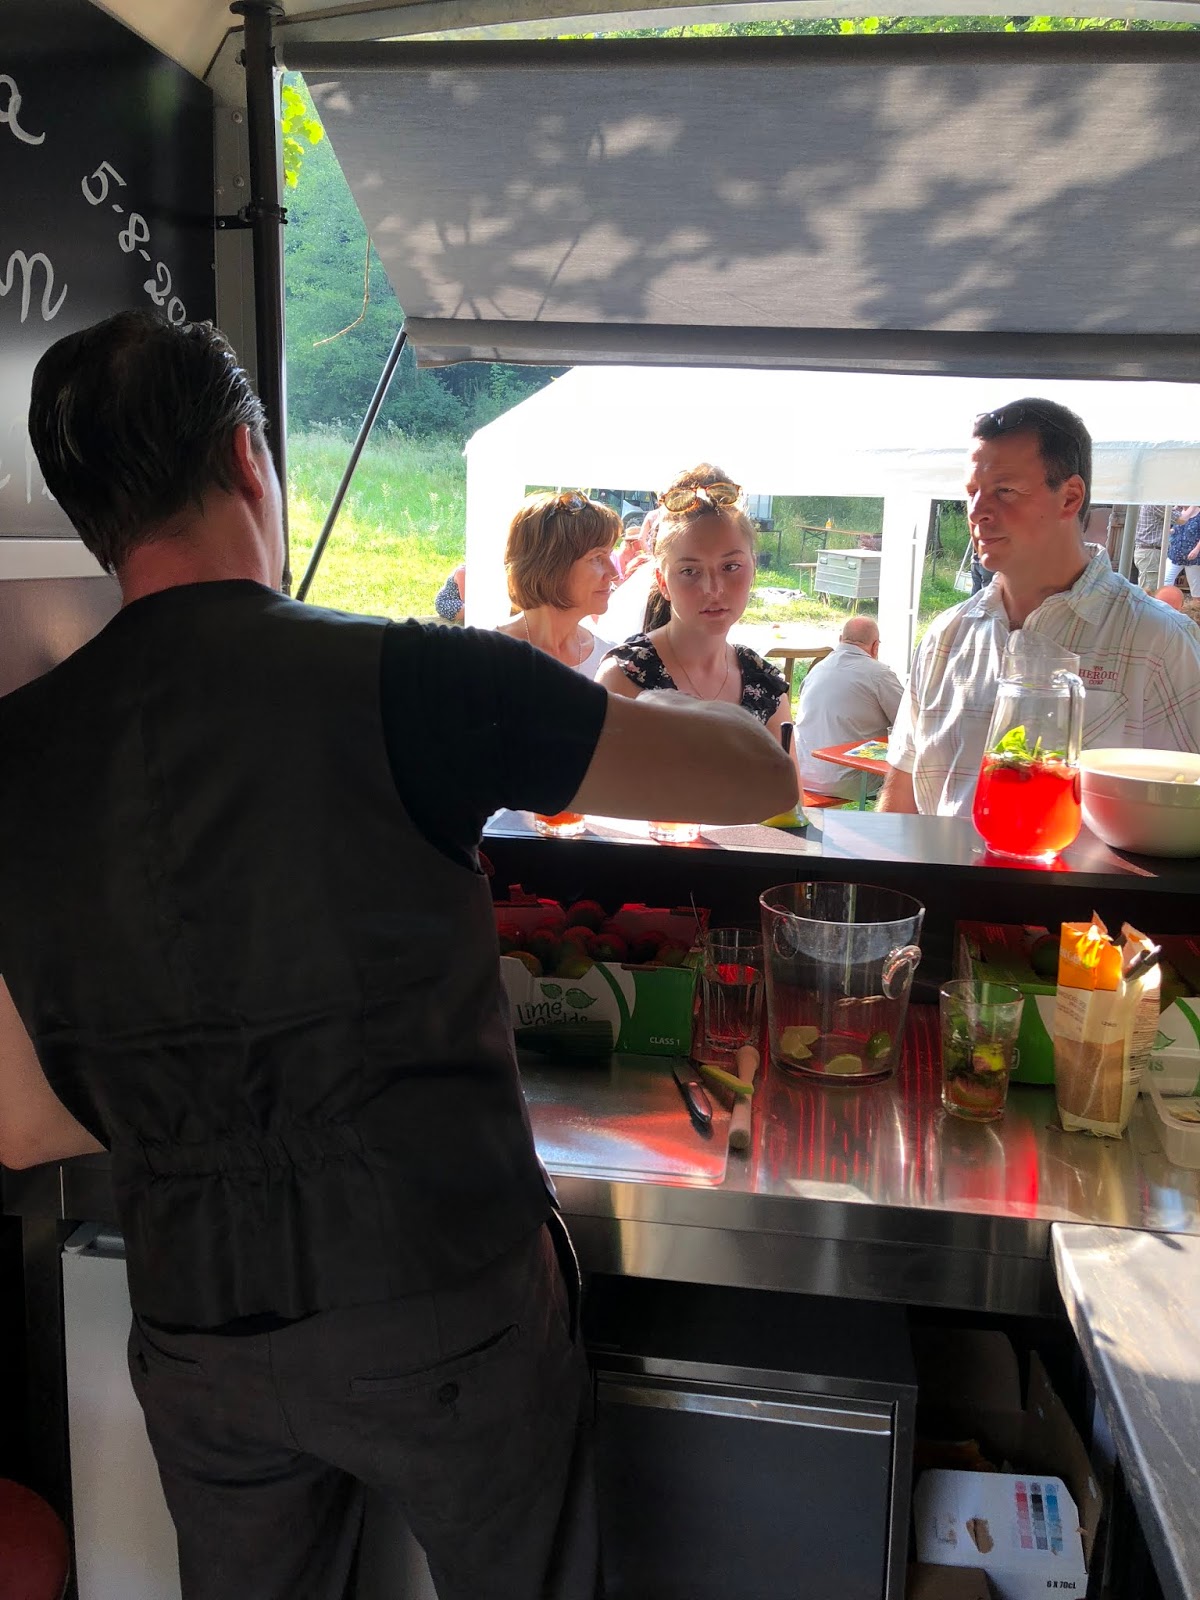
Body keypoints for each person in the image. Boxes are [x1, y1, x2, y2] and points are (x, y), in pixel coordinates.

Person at [0, 311, 797, 1600]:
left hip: (200, 1323)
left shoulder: (17, 752)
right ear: (249, 460)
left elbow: (22, 1126)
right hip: (442, 1288)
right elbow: (755, 776)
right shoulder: (412, 677)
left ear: (91, 515)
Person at [880, 398, 1200, 817]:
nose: (977, 512)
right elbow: (900, 799)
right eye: (972, 492)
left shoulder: (1158, 642)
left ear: (1070, 498)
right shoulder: (946, 636)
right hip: (941, 864)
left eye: (1005, 491)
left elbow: (1188, 816)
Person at [595, 467, 792, 743]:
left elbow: (786, 773)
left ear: (753, 568)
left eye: (731, 566)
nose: (713, 589)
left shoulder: (765, 685)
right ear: (662, 582)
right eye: (689, 571)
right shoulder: (626, 677)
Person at [496, 491, 620, 677]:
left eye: (610, 555)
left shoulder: (610, 663)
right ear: (551, 565)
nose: (614, 574)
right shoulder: (487, 656)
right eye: (596, 558)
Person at [793, 617, 903, 800]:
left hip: (804, 774)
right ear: (875, 646)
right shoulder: (879, 674)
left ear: (840, 639)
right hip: (850, 781)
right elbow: (909, 722)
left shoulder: (817, 669)